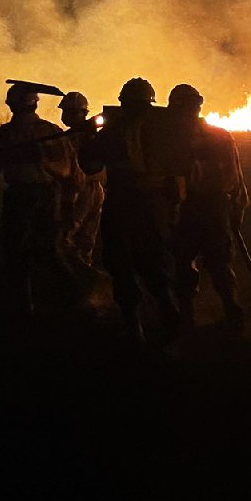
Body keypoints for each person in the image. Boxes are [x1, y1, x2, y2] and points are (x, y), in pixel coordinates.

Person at [79, 78, 184, 346]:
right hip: (155, 204)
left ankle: (134, 327)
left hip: (124, 203)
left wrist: (89, 135)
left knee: (121, 263)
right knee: (155, 262)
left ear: (124, 102)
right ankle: (171, 319)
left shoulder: (113, 131)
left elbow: (90, 166)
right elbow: (179, 168)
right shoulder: (168, 131)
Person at [0, 82, 73, 313]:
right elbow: (65, 169)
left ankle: (60, 296)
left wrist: (38, 159)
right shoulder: (47, 131)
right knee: (42, 251)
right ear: (35, 104)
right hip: (38, 196)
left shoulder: (18, 134)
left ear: (11, 105)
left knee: (27, 252)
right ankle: (54, 299)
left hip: (32, 197)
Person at [167, 83, 249, 334]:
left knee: (185, 261)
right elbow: (237, 179)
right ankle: (229, 311)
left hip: (196, 206)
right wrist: (237, 208)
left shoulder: (176, 139)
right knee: (217, 263)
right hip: (216, 207)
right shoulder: (222, 134)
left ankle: (190, 316)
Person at [56, 91, 105, 270]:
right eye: (65, 111)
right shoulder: (77, 135)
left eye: (70, 112)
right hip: (93, 188)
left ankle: (77, 280)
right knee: (85, 240)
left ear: (82, 113)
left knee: (68, 236)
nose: (66, 116)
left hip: (82, 191)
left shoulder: (81, 137)